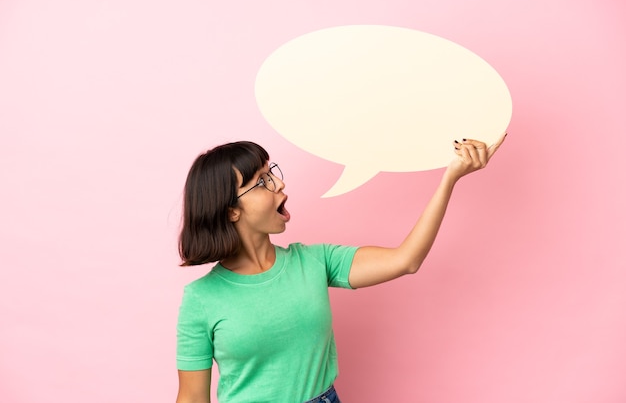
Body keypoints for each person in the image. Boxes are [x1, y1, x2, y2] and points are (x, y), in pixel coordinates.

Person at [175, 135, 506, 403]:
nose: (279, 185)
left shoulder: (315, 261)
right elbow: (192, 398)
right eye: (261, 181)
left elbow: (407, 260)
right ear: (231, 211)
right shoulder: (201, 299)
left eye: (272, 172)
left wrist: (450, 177)